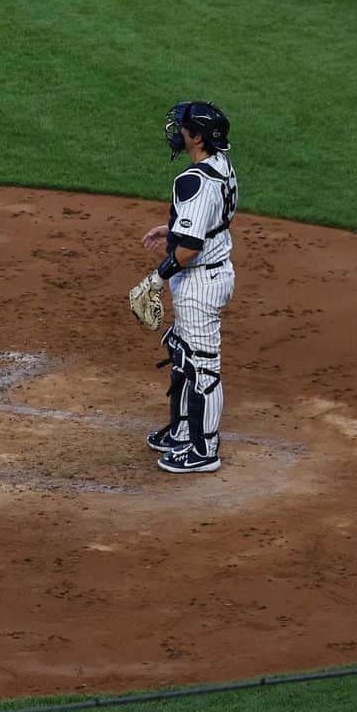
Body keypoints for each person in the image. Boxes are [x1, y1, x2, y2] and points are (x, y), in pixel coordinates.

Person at [132, 101, 237, 473]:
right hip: (211, 272)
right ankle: (181, 431)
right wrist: (173, 230)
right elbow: (205, 224)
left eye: (184, 128)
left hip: (200, 281)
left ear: (197, 136)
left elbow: (190, 250)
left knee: (202, 367)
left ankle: (203, 449)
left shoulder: (192, 180)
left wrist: (155, 279)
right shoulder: (221, 165)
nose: (179, 133)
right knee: (181, 351)